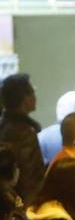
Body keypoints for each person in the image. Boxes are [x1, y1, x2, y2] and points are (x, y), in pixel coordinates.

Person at [0, 72, 45, 201]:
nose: (35, 97)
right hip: (19, 203)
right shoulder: (25, 132)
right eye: (33, 92)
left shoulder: (4, 125)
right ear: (25, 98)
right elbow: (29, 178)